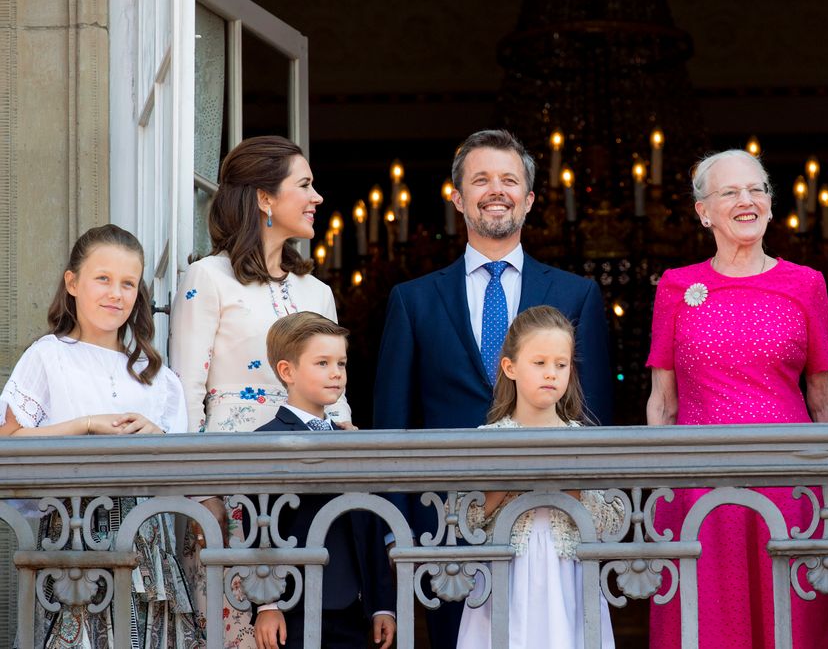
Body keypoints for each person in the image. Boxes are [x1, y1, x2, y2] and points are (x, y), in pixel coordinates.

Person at [373, 129, 613, 648]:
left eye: (509, 180)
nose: (495, 189)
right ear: (457, 197)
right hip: (443, 531)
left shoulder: (576, 294)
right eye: (480, 179)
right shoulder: (412, 300)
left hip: (558, 526)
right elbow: (392, 422)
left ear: (529, 199)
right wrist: (396, 532)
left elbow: (594, 418)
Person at [645, 149, 828, 649]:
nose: (747, 200)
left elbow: (823, 397)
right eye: (730, 192)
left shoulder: (806, 283)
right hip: (700, 489)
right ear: (703, 211)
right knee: (709, 624)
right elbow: (662, 403)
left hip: (790, 486)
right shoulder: (677, 287)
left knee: (793, 623)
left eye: (757, 189)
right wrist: (661, 490)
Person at [169, 135, 353, 647]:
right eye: (305, 185)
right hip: (230, 491)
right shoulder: (207, 278)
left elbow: (336, 398)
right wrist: (200, 497)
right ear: (264, 198)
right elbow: (185, 393)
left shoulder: (319, 291)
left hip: (309, 494)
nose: (317, 197)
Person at [0, 224, 196, 647]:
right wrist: (84, 425)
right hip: (73, 530)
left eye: (128, 283)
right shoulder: (48, 356)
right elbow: (9, 441)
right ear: (72, 283)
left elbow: (183, 469)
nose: (116, 293)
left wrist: (157, 435)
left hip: (147, 539)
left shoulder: (157, 376)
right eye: (103, 279)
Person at [456, 306, 623, 649]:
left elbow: (609, 523)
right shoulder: (487, 438)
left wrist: (573, 483)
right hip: (507, 574)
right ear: (510, 367)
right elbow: (465, 521)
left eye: (561, 365)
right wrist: (508, 481)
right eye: (539, 363)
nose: (551, 374)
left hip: (568, 575)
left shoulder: (584, 439)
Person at [251, 312, 396, 649]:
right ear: (287, 371)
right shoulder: (263, 441)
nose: (336, 373)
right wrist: (267, 604)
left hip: (355, 610)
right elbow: (257, 529)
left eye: (341, 364)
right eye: (322, 363)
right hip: (292, 608)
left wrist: (382, 604)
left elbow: (369, 523)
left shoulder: (352, 440)